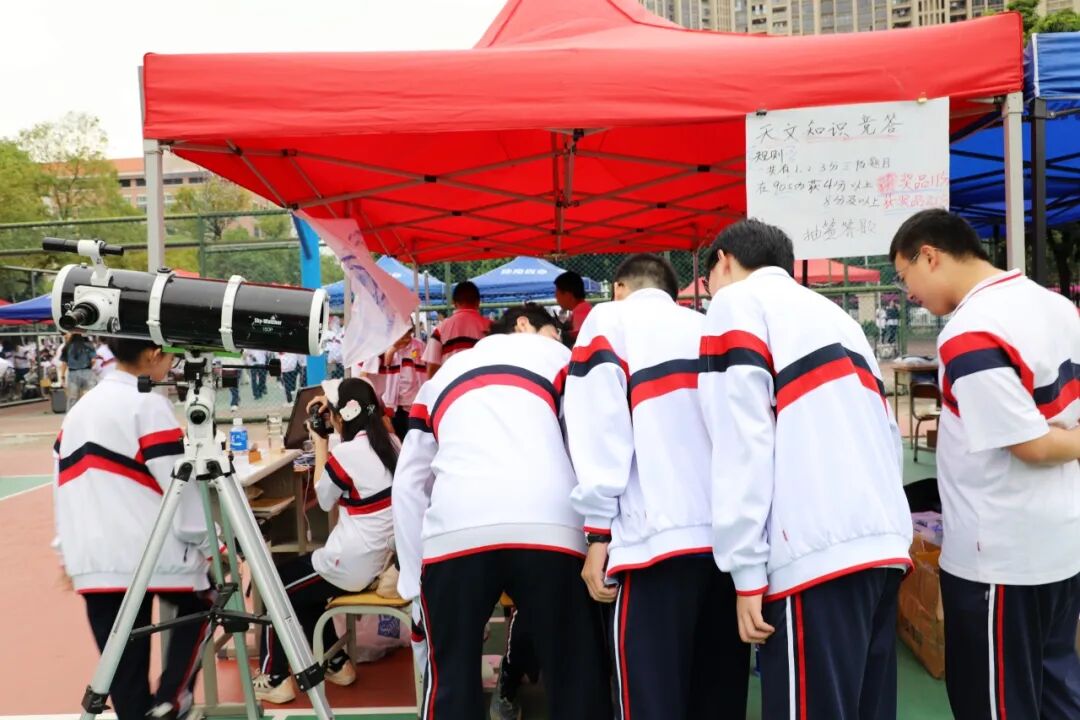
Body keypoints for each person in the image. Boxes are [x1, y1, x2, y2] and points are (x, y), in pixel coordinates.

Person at [700, 219, 912, 720]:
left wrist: (745, 569)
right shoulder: (834, 315)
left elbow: (742, 440)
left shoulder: (736, 303)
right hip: (882, 544)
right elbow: (888, 431)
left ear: (724, 260)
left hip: (812, 556)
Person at [889, 209, 1080, 720]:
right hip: (1061, 541)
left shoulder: (970, 331)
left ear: (929, 256)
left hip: (1000, 556)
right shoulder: (1057, 307)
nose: (910, 294)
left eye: (905, 277)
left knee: (994, 701)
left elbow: (1030, 445)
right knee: (1056, 691)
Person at [393, 304, 611, 720]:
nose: (561, 339)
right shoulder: (561, 359)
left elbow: (408, 485)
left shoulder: (441, 378)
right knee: (577, 677)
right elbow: (590, 443)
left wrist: (412, 582)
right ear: (525, 326)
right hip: (552, 525)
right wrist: (599, 535)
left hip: (456, 528)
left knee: (450, 683)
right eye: (556, 331)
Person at [565, 254, 748, 719]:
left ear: (619, 289)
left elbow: (600, 430)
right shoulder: (708, 327)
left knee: (651, 701)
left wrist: (597, 533)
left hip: (653, 545)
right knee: (719, 697)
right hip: (728, 546)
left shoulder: (609, 321)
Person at [52, 337, 212, 720]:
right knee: (206, 599)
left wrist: (65, 552)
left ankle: (146, 710)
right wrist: (212, 544)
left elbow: (61, 485)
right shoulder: (148, 404)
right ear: (154, 354)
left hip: (91, 559)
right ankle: (172, 699)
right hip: (150, 553)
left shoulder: (79, 410)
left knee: (123, 674)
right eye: (170, 357)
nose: (171, 365)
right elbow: (178, 483)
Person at [253, 378, 397, 703]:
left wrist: (320, 442)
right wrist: (334, 413)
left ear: (341, 416)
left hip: (352, 565)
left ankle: (275, 676)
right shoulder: (390, 442)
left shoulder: (347, 453)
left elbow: (324, 498)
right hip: (381, 562)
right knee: (305, 587)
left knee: (277, 585)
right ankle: (336, 662)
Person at [421, 280, 491, 377]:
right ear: (478, 302)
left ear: (453, 303)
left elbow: (432, 366)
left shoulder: (441, 329)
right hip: (484, 382)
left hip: (451, 383)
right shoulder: (492, 327)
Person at [382, 327, 427, 440]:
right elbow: (386, 363)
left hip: (413, 398)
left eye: (408, 332)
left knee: (413, 434)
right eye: (403, 332)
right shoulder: (391, 345)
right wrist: (394, 348)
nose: (406, 336)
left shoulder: (419, 345)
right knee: (398, 434)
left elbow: (425, 366)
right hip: (395, 400)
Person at [60, 333, 99, 411]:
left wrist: (62, 376)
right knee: (91, 396)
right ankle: (91, 413)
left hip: (73, 374)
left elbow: (64, 363)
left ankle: (71, 415)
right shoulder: (88, 345)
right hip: (87, 372)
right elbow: (93, 360)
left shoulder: (67, 346)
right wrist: (89, 366)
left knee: (73, 398)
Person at [554, 271, 593, 344]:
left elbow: (579, 336)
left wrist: (561, 334)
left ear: (568, 295)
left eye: (557, 294)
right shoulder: (583, 307)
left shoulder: (581, 309)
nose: (556, 298)